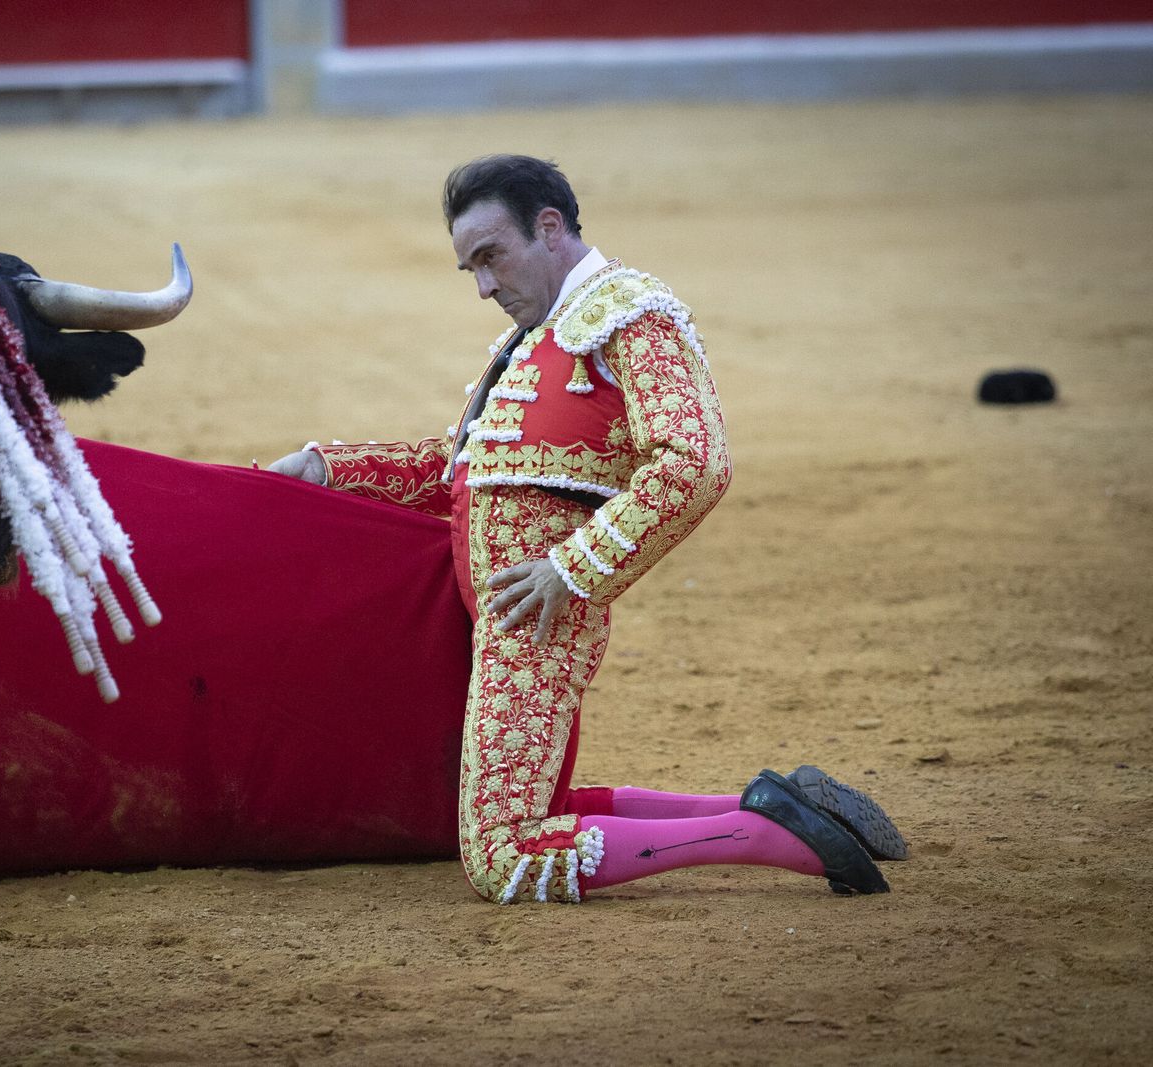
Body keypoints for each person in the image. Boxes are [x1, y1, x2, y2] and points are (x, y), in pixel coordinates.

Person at [270, 155, 905, 904]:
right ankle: (768, 804)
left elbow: (694, 461)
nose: (482, 286)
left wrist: (571, 570)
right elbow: (464, 468)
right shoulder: (538, 337)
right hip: (508, 619)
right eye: (469, 267)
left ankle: (769, 836)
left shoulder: (631, 311)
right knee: (535, 814)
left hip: (536, 622)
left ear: (549, 228)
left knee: (503, 855)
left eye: (490, 257)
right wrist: (328, 468)